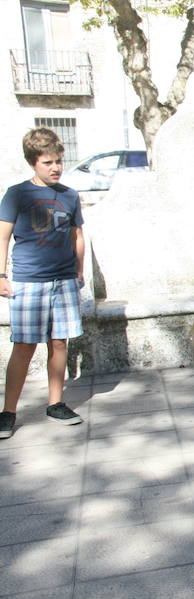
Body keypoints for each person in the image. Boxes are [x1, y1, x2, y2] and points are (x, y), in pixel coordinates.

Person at [0, 128, 86, 440]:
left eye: (59, 161)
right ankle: (8, 412)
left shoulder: (69, 195)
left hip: (63, 280)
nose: (55, 167)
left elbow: (77, 235)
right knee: (24, 346)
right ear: (33, 163)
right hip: (28, 282)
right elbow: (3, 236)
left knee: (60, 342)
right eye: (48, 162)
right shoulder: (17, 194)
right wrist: (1, 276)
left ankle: (56, 403)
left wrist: (79, 270)